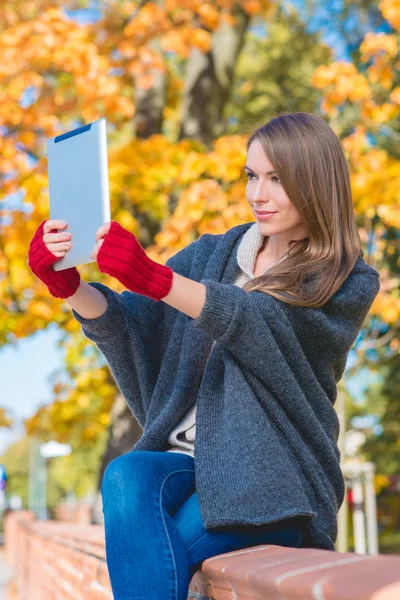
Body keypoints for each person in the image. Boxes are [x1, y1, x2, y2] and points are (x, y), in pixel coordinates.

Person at [28, 112, 380, 600]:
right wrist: (68, 286)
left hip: (269, 479)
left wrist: (157, 279)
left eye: (277, 179)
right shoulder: (215, 252)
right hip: (185, 463)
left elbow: (264, 324)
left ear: (314, 181)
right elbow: (137, 320)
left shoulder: (346, 278)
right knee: (126, 472)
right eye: (252, 176)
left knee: (158, 556)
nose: (258, 193)